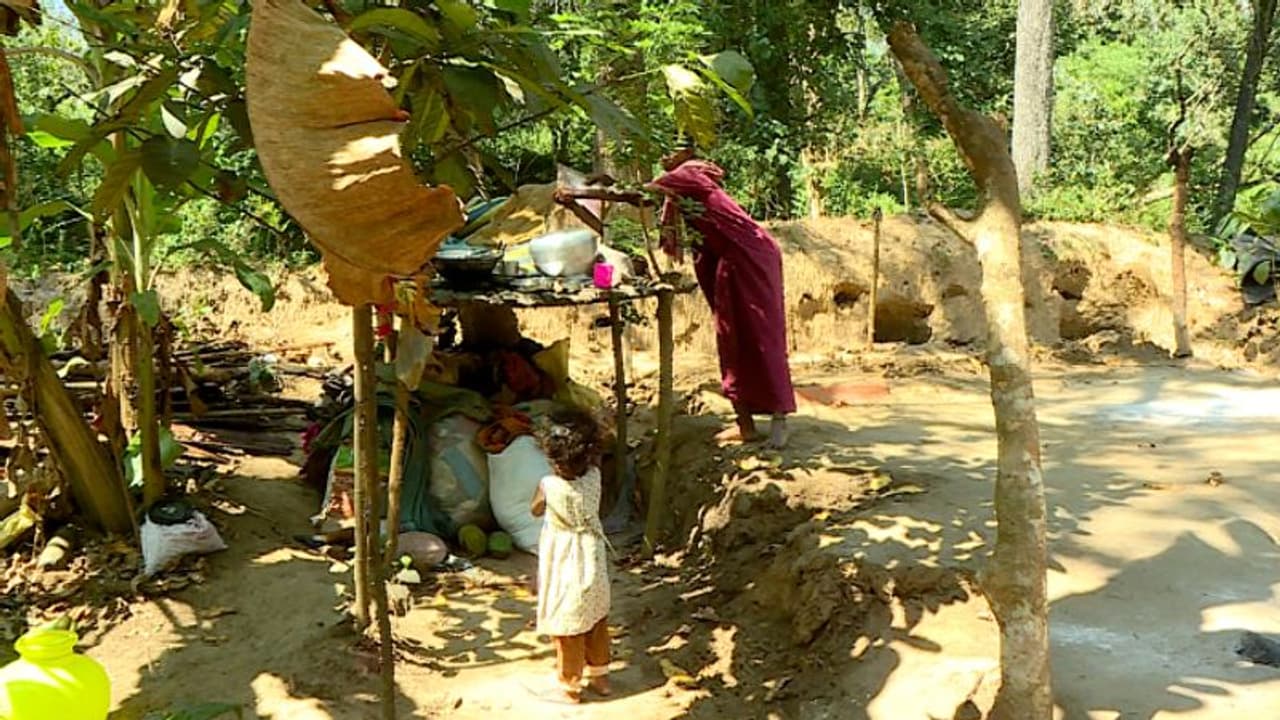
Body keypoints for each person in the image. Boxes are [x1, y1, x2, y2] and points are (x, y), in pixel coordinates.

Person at [647, 146, 797, 448]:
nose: (663, 157)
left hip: (750, 258)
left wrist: (590, 189)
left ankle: (780, 421)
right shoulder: (684, 185)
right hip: (728, 259)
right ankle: (745, 424)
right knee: (730, 339)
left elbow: (638, 193)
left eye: (669, 151)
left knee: (762, 335)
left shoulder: (686, 174)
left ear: (685, 153)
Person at [529, 408, 612, 704]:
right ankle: (600, 678)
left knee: (568, 625)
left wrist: (542, 488)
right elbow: (594, 460)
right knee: (596, 617)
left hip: (563, 558)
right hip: (592, 554)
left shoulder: (549, 485)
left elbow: (535, 509)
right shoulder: (595, 477)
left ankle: (570, 685)